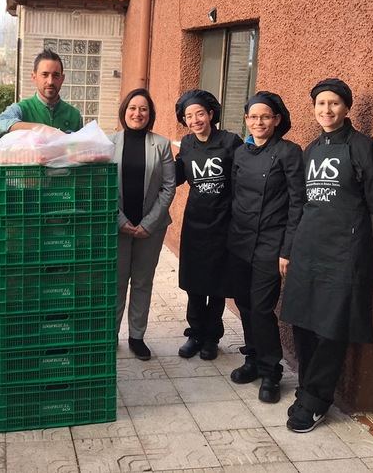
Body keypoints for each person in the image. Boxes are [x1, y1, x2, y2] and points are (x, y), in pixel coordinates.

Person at [281, 78, 373, 433]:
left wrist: (362, 246)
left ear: (346, 108)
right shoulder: (311, 149)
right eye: (320, 104)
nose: (327, 110)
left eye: (334, 103)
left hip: (345, 255)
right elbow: (300, 204)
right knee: (303, 322)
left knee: (332, 328)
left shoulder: (364, 148)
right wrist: (290, 250)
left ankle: (317, 400)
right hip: (307, 251)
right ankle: (305, 388)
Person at [226, 91, 304, 404]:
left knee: (261, 307)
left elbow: (298, 202)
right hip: (240, 240)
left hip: (271, 243)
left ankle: (272, 370)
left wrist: (287, 250)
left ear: (277, 120)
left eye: (265, 116)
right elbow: (234, 196)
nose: (258, 122)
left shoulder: (289, 152)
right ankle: (253, 360)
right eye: (253, 116)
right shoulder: (242, 154)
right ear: (246, 120)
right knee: (244, 304)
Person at [174, 90, 242, 361]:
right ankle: (195, 333)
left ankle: (212, 337)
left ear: (211, 114)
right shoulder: (187, 144)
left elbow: (242, 179)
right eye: (189, 116)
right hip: (195, 223)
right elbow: (177, 177)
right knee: (194, 284)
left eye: (199, 113)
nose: (195, 120)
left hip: (224, 224)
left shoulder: (230, 141)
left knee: (217, 285)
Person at [109, 88, 176, 361]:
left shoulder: (160, 144)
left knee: (142, 282)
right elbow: (103, 185)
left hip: (151, 228)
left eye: (143, 109)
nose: (138, 113)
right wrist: (121, 220)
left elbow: (169, 187)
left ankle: (137, 336)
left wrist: (148, 223)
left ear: (150, 114)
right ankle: (109, 335)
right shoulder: (109, 143)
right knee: (115, 283)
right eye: (133, 108)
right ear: (124, 111)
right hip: (117, 226)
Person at [0, 49, 82, 138]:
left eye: (56, 75)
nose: (50, 81)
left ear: (62, 79)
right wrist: (38, 128)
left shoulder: (74, 116)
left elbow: (82, 150)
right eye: (45, 75)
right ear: (34, 77)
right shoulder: (22, 109)